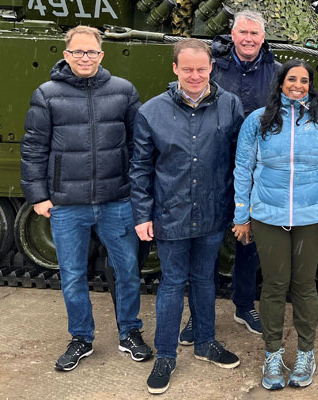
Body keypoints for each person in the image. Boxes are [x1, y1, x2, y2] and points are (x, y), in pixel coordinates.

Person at [21, 25, 151, 372]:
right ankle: (81, 336)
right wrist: (38, 195)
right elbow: (34, 148)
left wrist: (136, 193)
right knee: (73, 274)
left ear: (101, 55)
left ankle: (130, 332)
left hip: (116, 200)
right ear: (66, 55)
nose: (85, 58)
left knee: (126, 270)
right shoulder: (47, 94)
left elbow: (138, 146)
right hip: (67, 203)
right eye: (78, 52)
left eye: (91, 52)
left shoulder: (123, 91)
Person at [130, 39, 244, 394]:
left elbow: (241, 160)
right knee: (172, 284)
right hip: (170, 214)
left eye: (202, 68)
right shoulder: (152, 112)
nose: (195, 75)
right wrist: (142, 214)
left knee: (206, 280)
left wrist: (240, 209)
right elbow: (140, 169)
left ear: (212, 68)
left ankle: (205, 341)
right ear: (175, 69)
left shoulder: (230, 105)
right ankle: (166, 355)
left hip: (213, 212)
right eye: (188, 69)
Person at [232, 59, 318, 390]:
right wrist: (242, 214)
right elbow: (243, 168)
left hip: (311, 217)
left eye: (304, 80)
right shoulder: (259, 121)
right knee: (273, 285)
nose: (298, 85)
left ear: (311, 86)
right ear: (281, 83)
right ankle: (272, 354)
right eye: (291, 79)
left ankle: (306, 354)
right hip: (268, 215)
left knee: (304, 285)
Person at [178, 9, 282, 343]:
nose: (249, 39)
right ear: (233, 34)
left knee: (248, 245)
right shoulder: (214, 68)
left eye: (255, 33)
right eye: (243, 32)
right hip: (212, 166)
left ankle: (243, 304)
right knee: (205, 245)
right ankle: (198, 314)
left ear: (262, 37)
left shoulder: (276, 72)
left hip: (255, 171)